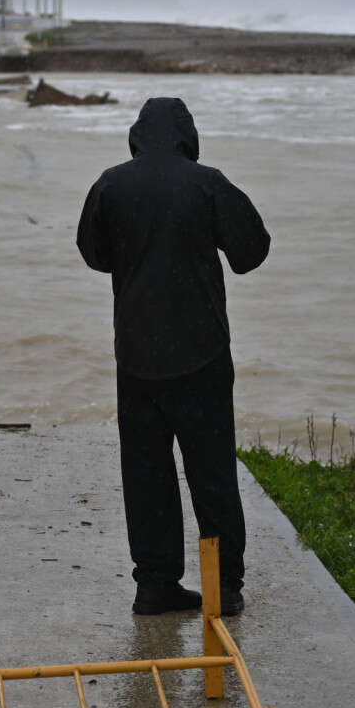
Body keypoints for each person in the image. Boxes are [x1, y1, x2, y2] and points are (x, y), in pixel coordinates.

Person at [76, 97, 270, 615]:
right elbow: (252, 252)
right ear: (188, 137)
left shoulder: (110, 184)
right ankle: (223, 587)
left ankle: (155, 584)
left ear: (136, 137)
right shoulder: (207, 183)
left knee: (146, 474)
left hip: (136, 355)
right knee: (211, 472)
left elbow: (93, 255)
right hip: (202, 354)